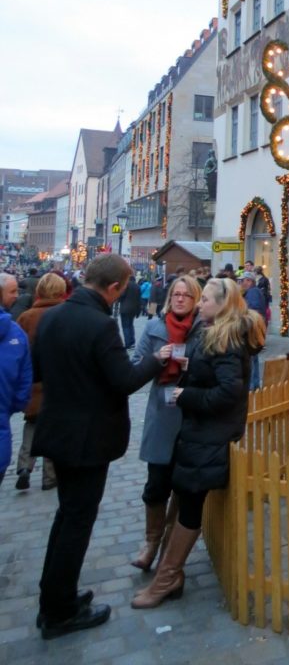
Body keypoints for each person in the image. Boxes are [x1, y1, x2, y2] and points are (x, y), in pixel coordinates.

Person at [32, 254, 171, 639]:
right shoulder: (100, 325)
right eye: (122, 288)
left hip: (58, 431)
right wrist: (156, 361)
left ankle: (55, 597)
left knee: (66, 517)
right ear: (114, 288)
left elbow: (39, 370)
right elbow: (124, 380)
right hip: (88, 438)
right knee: (77, 522)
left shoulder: (53, 317)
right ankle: (59, 612)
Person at [131, 277, 265, 609]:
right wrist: (193, 369)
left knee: (190, 505)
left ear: (223, 304)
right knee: (184, 498)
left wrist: (186, 394)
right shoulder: (216, 335)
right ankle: (169, 574)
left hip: (209, 435)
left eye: (204, 299)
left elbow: (228, 392)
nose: (199, 304)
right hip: (200, 433)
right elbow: (219, 377)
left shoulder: (227, 339)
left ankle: (166, 578)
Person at [129, 275, 204, 573]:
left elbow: (214, 372)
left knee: (183, 486)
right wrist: (155, 359)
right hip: (162, 414)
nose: (180, 298)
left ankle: (169, 552)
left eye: (187, 294)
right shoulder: (154, 328)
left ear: (196, 299)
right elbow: (135, 368)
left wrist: (193, 366)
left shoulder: (203, 331)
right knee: (156, 483)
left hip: (191, 416)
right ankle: (151, 542)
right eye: (176, 294)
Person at [15, 272, 68, 491]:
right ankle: (49, 475)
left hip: (33, 384)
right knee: (53, 431)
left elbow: (19, 350)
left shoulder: (27, 317)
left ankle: (24, 466)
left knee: (31, 426)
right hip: (58, 383)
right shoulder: (65, 314)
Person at [0, 299, 32, 487]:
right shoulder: (13, 330)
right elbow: (24, 373)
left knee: (32, 426)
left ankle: (25, 466)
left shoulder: (23, 320)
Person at [239, 273, 267, 390]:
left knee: (251, 357)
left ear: (249, 281)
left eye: (243, 281)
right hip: (255, 328)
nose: (241, 284)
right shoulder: (253, 292)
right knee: (253, 357)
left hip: (252, 329)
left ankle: (252, 385)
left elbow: (254, 310)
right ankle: (254, 384)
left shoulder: (253, 292)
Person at [118, 273, 142, 349]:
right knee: (131, 325)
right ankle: (132, 342)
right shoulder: (137, 286)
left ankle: (128, 343)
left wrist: (119, 298)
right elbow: (139, 300)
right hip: (133, 309)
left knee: (125, 326)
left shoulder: (126, 285)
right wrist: (138, 311)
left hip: (125, 309)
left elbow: (122, 296)